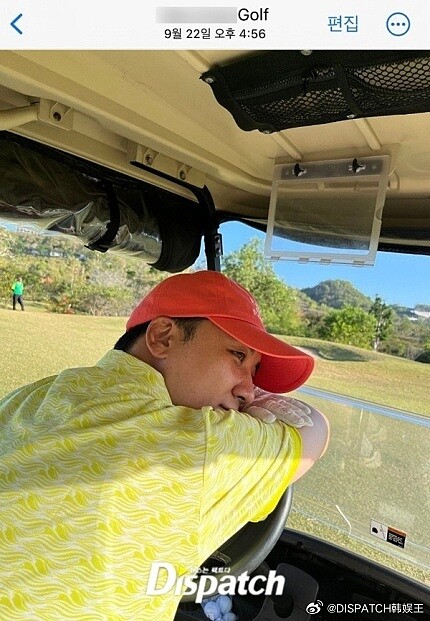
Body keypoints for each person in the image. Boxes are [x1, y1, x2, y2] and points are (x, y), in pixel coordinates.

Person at [0, 270, 329, 621]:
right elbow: (315, 432)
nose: (248, 391)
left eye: (255, 373)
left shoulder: (25, 399)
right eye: (237, 355)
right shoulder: (199, 442)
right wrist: (265, 403)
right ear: (162, 337)